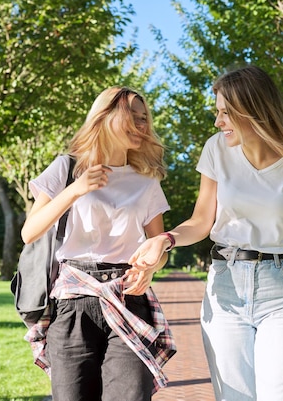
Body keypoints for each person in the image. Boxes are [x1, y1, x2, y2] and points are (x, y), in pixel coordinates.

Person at [128, 65, 283, 401]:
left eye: (226, 113)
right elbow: (201, 221)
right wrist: (165, 238)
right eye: (217, 112)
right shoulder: (216, 149)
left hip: (282, 291)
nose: (218, 122)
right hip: (226, 289)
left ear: (254, 111)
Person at [21, 86, 176, 401]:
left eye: (144, 118)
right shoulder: (68, 168)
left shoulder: (146, 180)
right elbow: (30, 232)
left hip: (127, 297)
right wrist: (76, 189)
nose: (141, 124)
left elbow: (156, 245)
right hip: (72, 303)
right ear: (105, 117)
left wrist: (150, 268)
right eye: (131, 116)